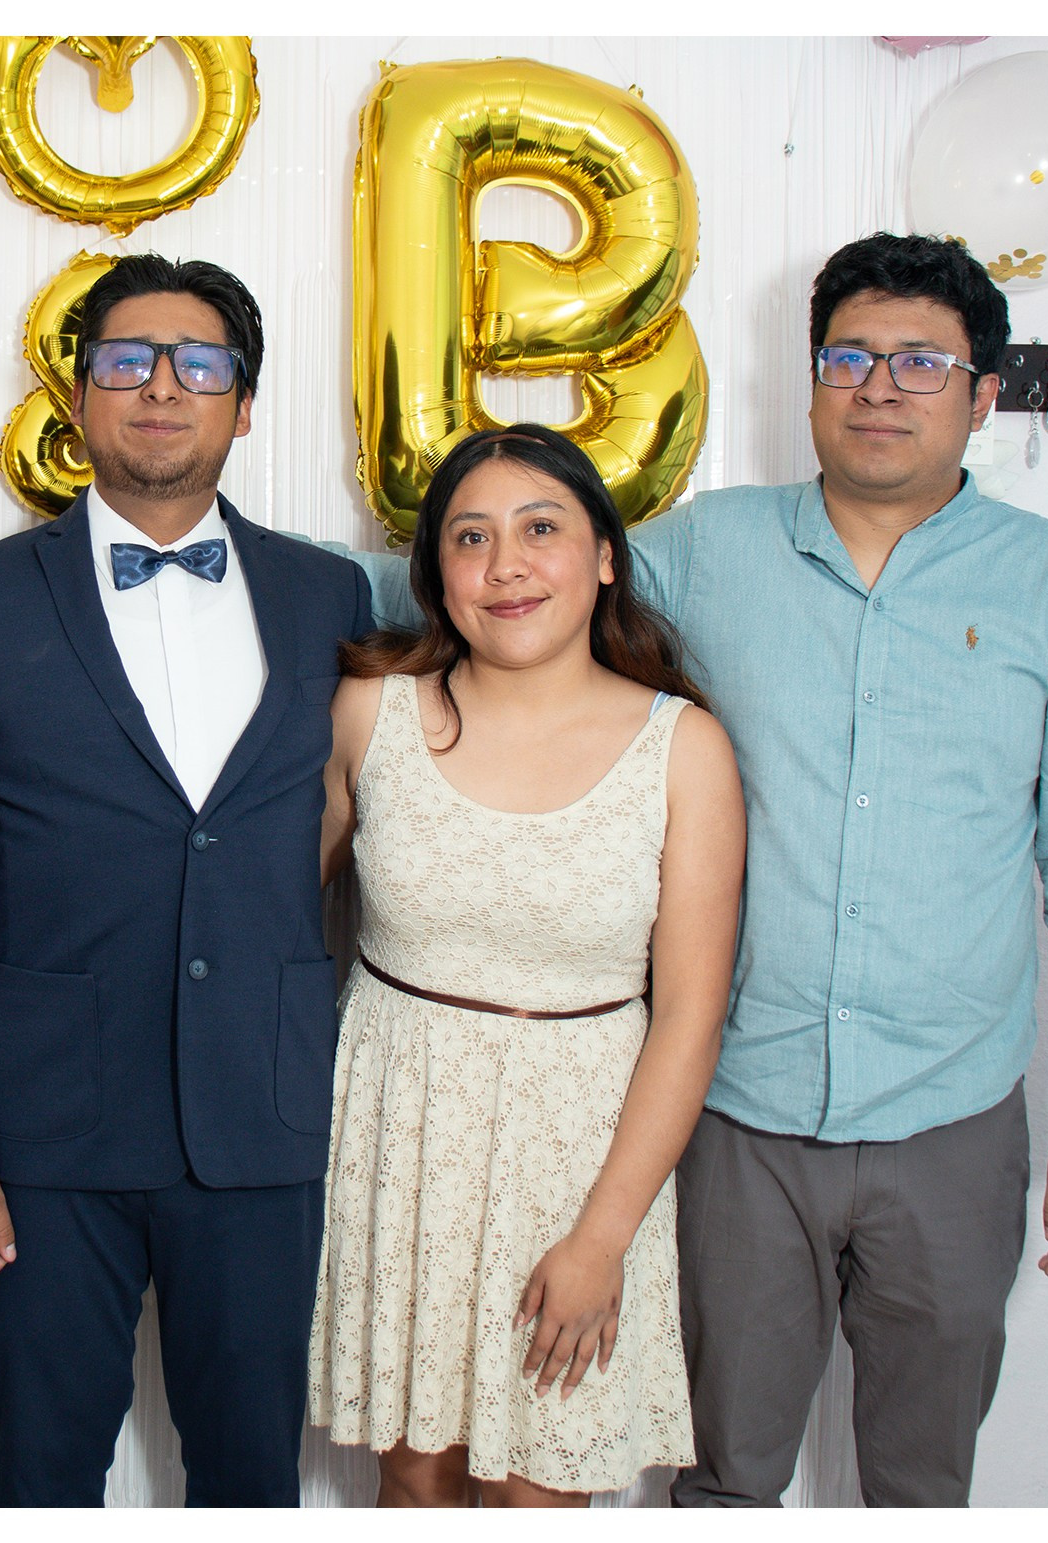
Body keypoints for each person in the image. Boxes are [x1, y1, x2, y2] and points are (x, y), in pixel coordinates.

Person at [343, 232, 1048, 1506]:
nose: (878, 386)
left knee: (924, 1477)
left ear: (983, 394)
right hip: (738, 1116)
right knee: (722, 1475)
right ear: (813, 377)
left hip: (952, 1110)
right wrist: (240, 571)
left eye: (921, 362)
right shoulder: (701, 549)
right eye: (848, 357)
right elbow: (515, 578)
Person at [0, 254, 374, 1506]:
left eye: (198, 364)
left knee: (250, 1476)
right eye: (128, 359)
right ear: (80, 393)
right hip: (45, 1134)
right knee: (44, 1475)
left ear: (244, 403)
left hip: (262, 1120)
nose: (163, 387)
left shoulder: (331, 593)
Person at [310, 424, 745, 1507]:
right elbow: (266, 925)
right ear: (436, 577)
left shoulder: (684, 746)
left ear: (604, 556)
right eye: (471, 538)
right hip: (397, 1144)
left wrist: (603, 1239)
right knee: (414, 1479)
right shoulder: (371, 713)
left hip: (581, 1167)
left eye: (540, 529)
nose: (506, 565)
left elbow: (689, 1017)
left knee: (536, 1493)